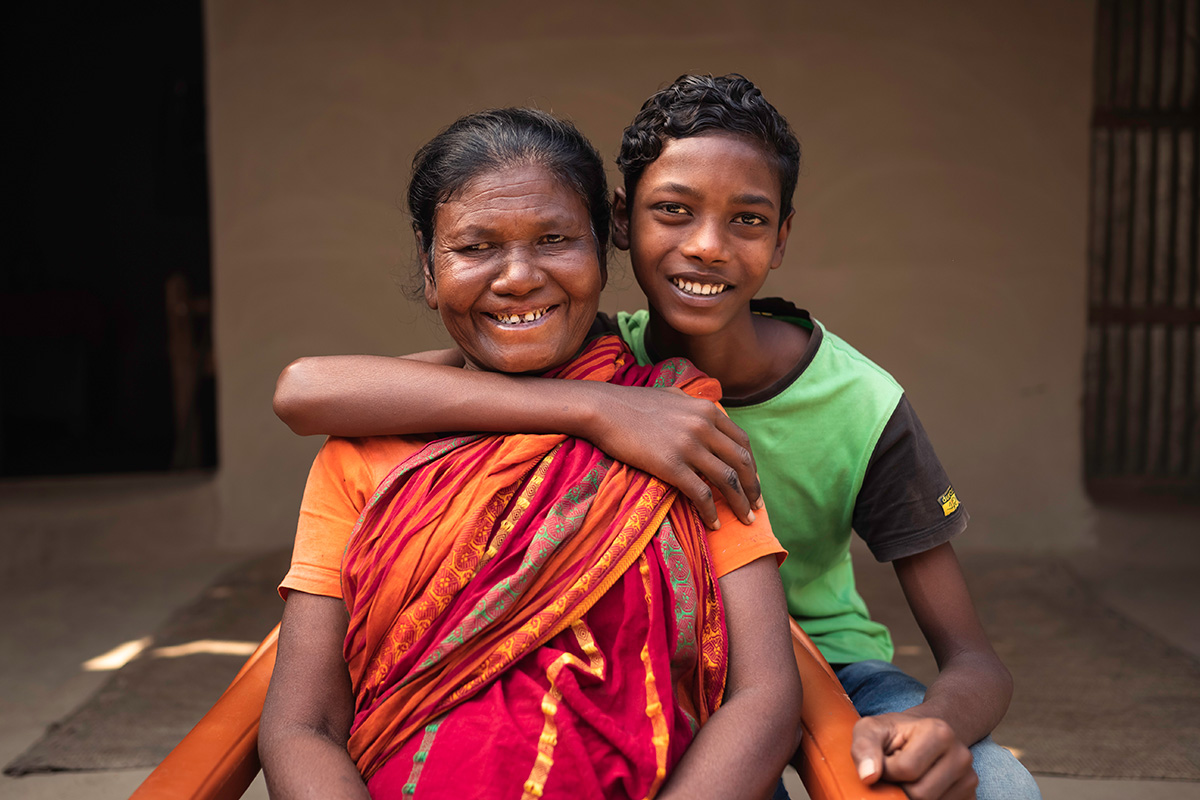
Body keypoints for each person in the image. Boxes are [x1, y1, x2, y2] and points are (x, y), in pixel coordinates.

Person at [273, 76, 1040, 800]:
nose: (706, 246)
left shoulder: (843, 403)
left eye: (747, 219)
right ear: (621, 223)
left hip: (817, 662)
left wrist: (935, 722)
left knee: (995, 787)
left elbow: (968, 657)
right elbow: (310, 388)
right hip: (675, 665)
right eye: (673, 211)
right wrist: (595, 410)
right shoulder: (581, 353)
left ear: (782, 237)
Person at [258, 107, 802, 800]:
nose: (517, 277)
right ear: (429, 272)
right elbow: (302, 726)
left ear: (603, 253)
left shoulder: (678, 422)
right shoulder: (364, 457)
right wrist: (593, 408)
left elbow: (763, 695)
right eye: (475, 248)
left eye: (554, 239)